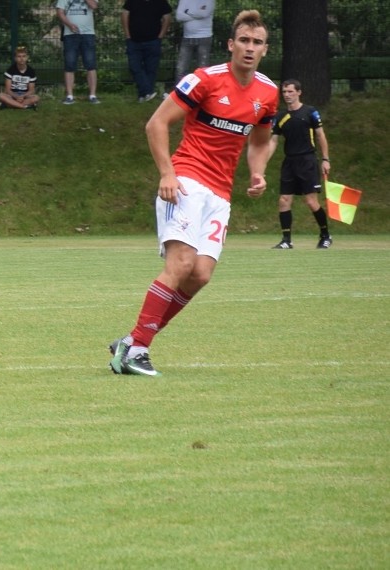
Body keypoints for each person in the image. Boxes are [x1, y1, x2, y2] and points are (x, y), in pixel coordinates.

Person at [109, 10, 278, 376]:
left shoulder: (268, 92)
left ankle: (132, 340)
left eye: (257, 43)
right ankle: (136, 350)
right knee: (180, 265)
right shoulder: (204, 80)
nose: (250, 48)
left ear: (265, 49)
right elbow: (156, 123)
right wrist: (167, 173)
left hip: (219, 195)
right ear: (231, 45)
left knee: (199, 275)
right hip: (186, 180)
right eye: (244, 41)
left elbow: (262, 141)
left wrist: (258, 172)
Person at [269, 79, 333, 249]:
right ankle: (286, 240)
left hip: (307, 160)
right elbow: (273, 141)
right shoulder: (280, 116)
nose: (287, 95)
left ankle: (325, 235)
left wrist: (326, 159)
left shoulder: (310, 112)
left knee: (311, 201)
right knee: (284, 200)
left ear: (299, 92)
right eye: (284, 92)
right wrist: (261, 165)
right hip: (289, 162)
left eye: (290, 92)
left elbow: (320, 136)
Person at [121, 0, 172, 103]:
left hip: (153, 41)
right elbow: (124, 15)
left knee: (151, 69)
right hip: (134, 41)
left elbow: (167, 18)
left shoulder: (161, 2)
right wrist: (127, 35)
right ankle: (148, 92)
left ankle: (143, 96)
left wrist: (160, 36)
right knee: (134, 67)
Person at [55, 0, 99, 105]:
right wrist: (69, 25)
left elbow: (94, 6)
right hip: (70, 34)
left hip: (88, 33)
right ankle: (69, 96)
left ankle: (92, 95)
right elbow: (60, 12)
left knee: (90, 64)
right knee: (69, 64)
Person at [172, 0, 215, 93]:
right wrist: (196, 13)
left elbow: (204, 13)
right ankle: (178, 93)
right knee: (181, 68)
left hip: (204, 37)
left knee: (203, 69)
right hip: (187, 38)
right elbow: (179, 16)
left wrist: (187, 12)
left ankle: (203, 93)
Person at [0, 46, 40, 110]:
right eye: (19, 56)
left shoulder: (31, 71)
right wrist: (16, 96)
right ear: (15, 58)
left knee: (36, 98)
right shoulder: (10, 70)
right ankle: (23, 106)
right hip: (12, 94)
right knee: (0, 95)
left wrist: (23, 96)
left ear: (27, 58)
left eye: (24, 56)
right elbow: (8, 89)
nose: (21, 59)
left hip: (25, 95)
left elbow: (31, 90)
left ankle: (10, 104)